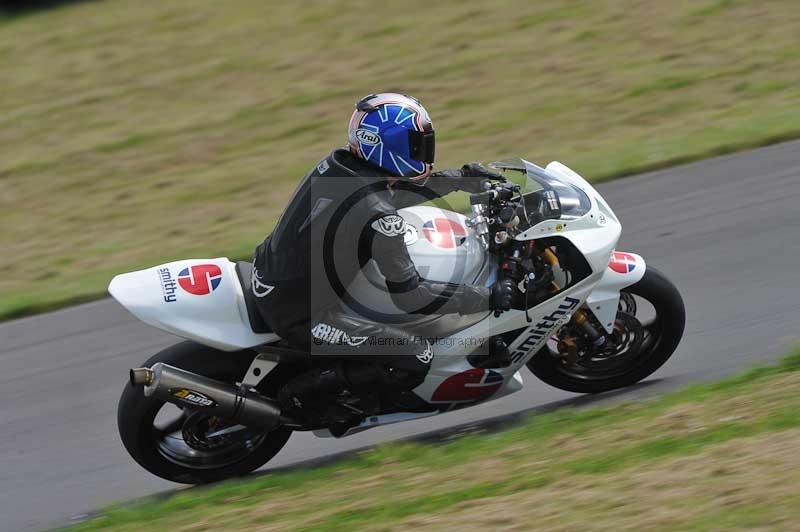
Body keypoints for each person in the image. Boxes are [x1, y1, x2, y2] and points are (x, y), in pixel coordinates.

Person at [252, 93, 517, 425]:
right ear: (389, 146)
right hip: (300, 314)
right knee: (416, 356)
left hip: (275, 275)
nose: (423, 151)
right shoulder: (377, 213)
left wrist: (463, 178)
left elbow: (395, 193)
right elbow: (413, 296)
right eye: (416, 144)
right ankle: (297, 400)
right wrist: (485, 296)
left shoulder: (341, 165)